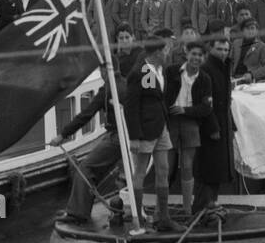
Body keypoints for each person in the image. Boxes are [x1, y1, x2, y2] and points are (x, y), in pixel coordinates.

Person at [49, 79, 127, 227]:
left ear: (105, 70)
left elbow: (87, 114)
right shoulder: (125, 82)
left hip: (118, 136)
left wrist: (62, 135)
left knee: (85, 169)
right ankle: (83, 208)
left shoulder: (108, 89)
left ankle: (78, 213)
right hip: (133, 135)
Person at [123, 38, 175, 230]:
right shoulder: (139, 73)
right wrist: (134, 136)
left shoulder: (160, 71)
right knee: (140, 172)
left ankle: (163, 217)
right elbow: (131, 105)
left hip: (161, 127)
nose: (167, 54)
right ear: (157, 53)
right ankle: (139, 218)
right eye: (165, 51)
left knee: (163, 169)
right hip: (145, 131)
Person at [164, 41, 217, 224]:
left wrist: (185, 110)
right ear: (186, 54)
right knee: (167, 167)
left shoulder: (205, 79)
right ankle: (161, 210)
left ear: (203, 58)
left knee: (187, 166)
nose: (196, 58)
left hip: (190, 122)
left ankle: (187, 209)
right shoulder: (171, 71)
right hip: (171, 122)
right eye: (193, 54)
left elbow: (206, 108)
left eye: (200, 55)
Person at [194, 36, 234, 223]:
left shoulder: (222, 69)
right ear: (211, 49)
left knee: (217, 169)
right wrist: (213, 127)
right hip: (212, 128)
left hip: (221, 124)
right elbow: (205, 102)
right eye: (220, 49)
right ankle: (203, 206)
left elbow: (225, 102)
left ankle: (210, 203)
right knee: (209, 168)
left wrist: (230, 124)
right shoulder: (207, 70)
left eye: (226, 50)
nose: (224, 53)